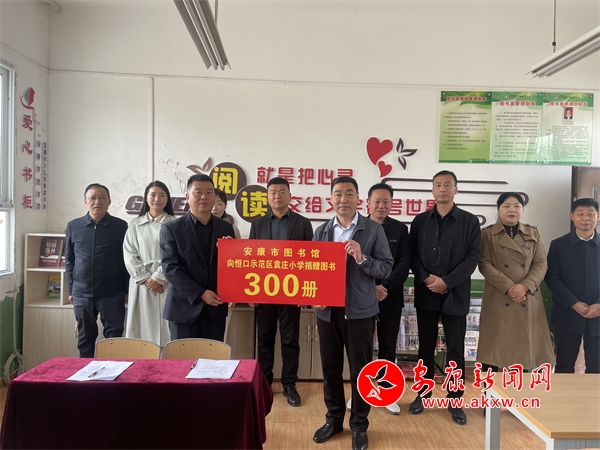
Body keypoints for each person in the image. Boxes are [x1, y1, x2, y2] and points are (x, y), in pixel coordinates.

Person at [312, 176, 393, 450]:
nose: (343, 199)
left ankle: (359, 425)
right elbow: (312, 270)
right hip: (327, 313)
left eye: (349, 193)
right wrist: (315, 297)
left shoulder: (373, 230)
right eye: (338, 194)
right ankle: (334, 420)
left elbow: (386, 267)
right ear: (330, 199)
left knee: (361, 372)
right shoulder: (322, 231)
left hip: (360, 312)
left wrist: (362, 257)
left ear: (358, 199)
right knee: (330, 368)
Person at [408, 170, 481, 425]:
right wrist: (428, 280)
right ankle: (423, 394)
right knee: (425, 347)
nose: (442, 189)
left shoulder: (469, 222)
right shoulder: (420, 221)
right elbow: (412, 255)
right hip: (427, 293)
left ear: (456, 189)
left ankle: (455, 399)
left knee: (455, 349)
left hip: (455, 293)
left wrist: (447, 281)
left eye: (447, 185)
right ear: (432, 190)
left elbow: (472, 258)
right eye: (438, 185)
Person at [249, 177, 313, 407]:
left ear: (289, 195)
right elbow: (251, 259)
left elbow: (310, 259)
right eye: (273, 192)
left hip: (291, 294)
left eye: (282, 191)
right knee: (264, 341)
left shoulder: (303, 224)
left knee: (290, 341)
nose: (277, 196)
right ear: (267, 197)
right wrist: (250, 293)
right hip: (263, 293)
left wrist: (305, 293)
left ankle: (289, 385)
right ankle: (265, 383)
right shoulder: (257, 224)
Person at [477, 192, 555, 373]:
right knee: (494, 350)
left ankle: (520, 388)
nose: (512, 210)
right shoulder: (487, 234)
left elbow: (541, 263)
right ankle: (491, 389)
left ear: (522, 209)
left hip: (527, 297)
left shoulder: (533, 232)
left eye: (517, 206)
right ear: (499, 209)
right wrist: (510, 288)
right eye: (506, 206)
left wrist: (525, 286)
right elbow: (484, 263)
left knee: (525, 350)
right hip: (499, 296)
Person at [160, 174, 235, 341]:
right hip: (183, 309)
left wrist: (232, 251)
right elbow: (170, 268)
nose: (204, 197)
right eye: (198, 192)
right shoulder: (172, 229)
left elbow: (232, 266)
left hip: (215, 309)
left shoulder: (226, 228)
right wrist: (200, 293)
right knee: (183, 358)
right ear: (187, 197)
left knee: (213, 357)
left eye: (209, 192)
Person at [65, 183, 129, 358]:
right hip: (82, 293)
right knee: (85, 338)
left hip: (112, 292)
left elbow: (125, 260)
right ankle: (86, 373)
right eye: (92, 198)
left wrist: (126, 289)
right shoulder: (73, 226)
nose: (97, 202)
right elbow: (69, 261)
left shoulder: (120, 226)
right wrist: (71, 290)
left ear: (109, 201)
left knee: (114, 337)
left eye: (102, 198)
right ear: (85, 201)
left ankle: (113, 371)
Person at [363, 183, 410, 415]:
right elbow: (353, 263)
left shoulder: (400, 230)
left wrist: (384, 287)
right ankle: (362, 394)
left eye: (386, 202)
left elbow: (403, 264)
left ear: (392, 204)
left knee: (388, 346)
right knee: (361, 348)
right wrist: (370, 289)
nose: (381, 206)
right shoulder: (358, 227)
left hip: (390, 297)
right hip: (362, 297)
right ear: (368, 203)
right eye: (377, 201)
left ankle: (386, 393)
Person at [545, 198, 600, 373]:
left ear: (598, 216)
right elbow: (552, 277)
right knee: (564, 364)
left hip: (598, 315)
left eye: (590, 214)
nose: (585, 218)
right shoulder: (558, 245)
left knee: (597, 366)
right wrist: (573, 303)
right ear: (572, 216)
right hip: (567, 313)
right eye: (580, 214)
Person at [123, 181, 176, 347]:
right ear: (146, 198)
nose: (157, 199)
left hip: (166, 282)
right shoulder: (135, 224)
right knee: (141, 329)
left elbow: (177, 255)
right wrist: (147, 279)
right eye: (153, 195)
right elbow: (129, 254)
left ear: (167, 199)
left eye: (162, 195)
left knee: (167, 329)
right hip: (141, 284)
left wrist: (158, 277)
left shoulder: (175, 223)